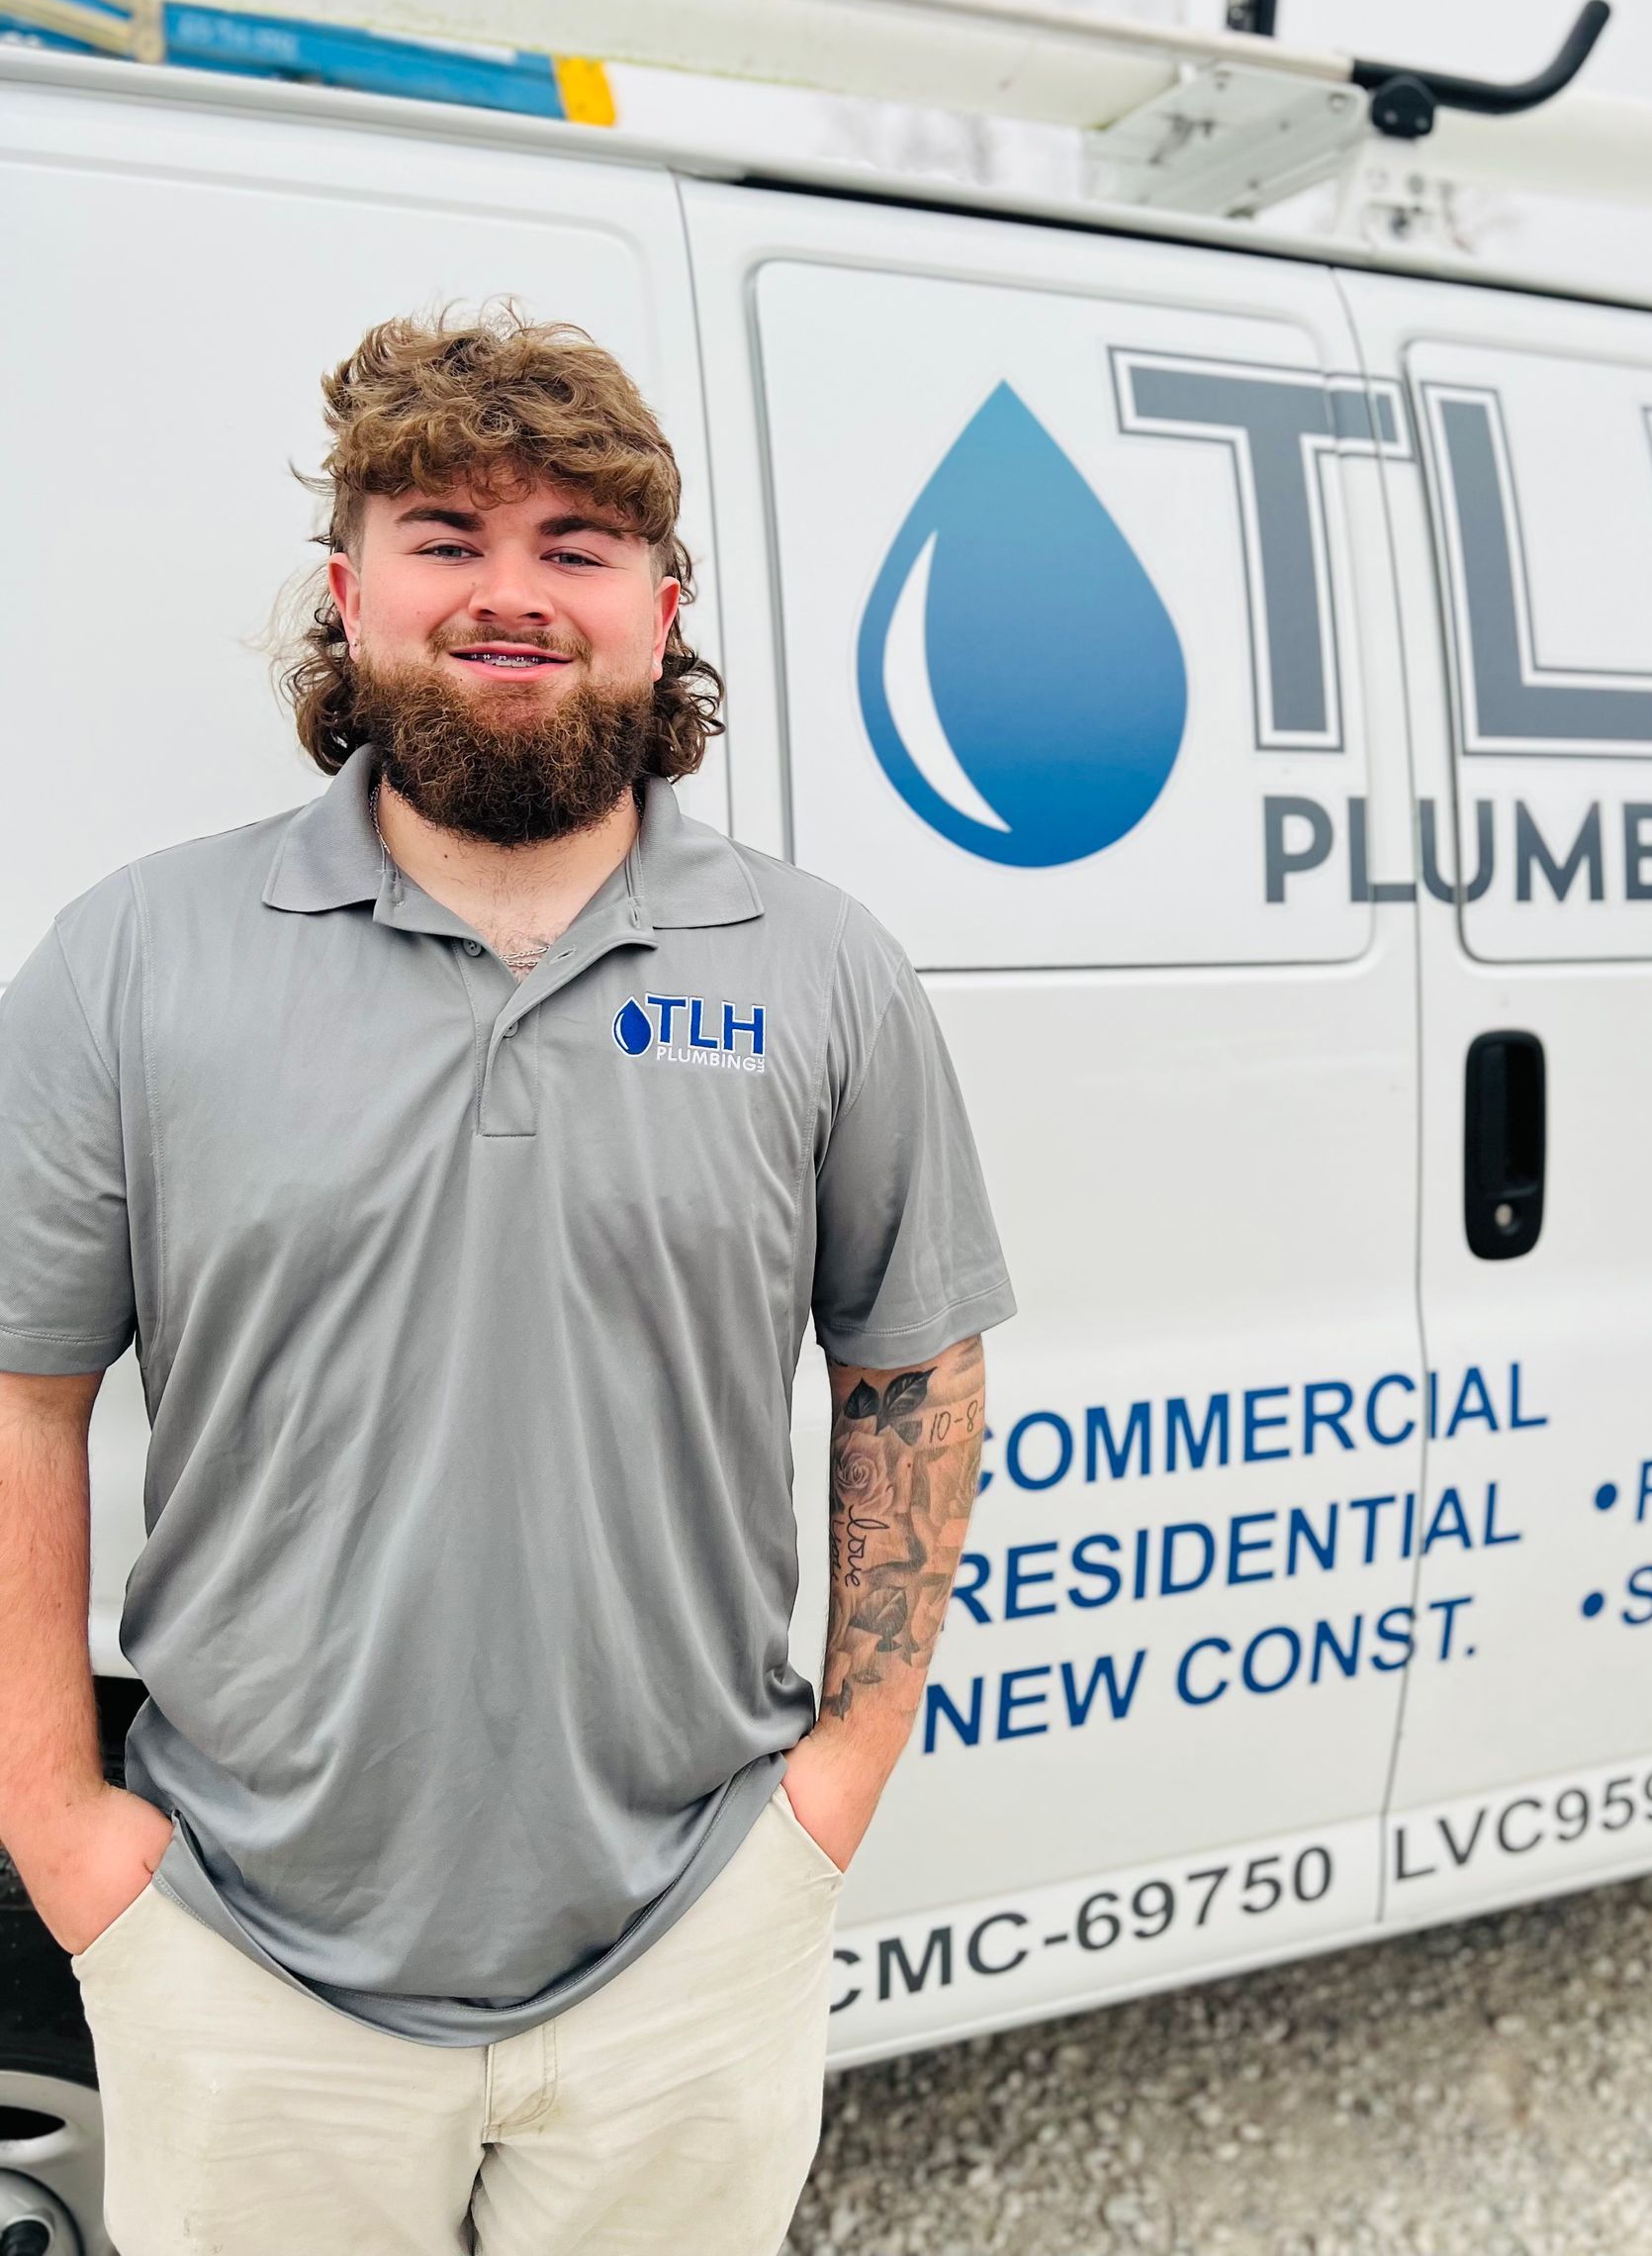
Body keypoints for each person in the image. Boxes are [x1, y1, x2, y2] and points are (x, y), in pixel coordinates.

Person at [0, 307, 1015, 2254]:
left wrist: (838, 1791)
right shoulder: (131, 960)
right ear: (347, 587)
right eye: (446, 532)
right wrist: (61, 1822)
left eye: (576, 541)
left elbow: (913, 1363)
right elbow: (19, 1393)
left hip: (699, 1924)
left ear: (663, 597)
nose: (511, 590)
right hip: (241, 1942)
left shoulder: (821, 967)